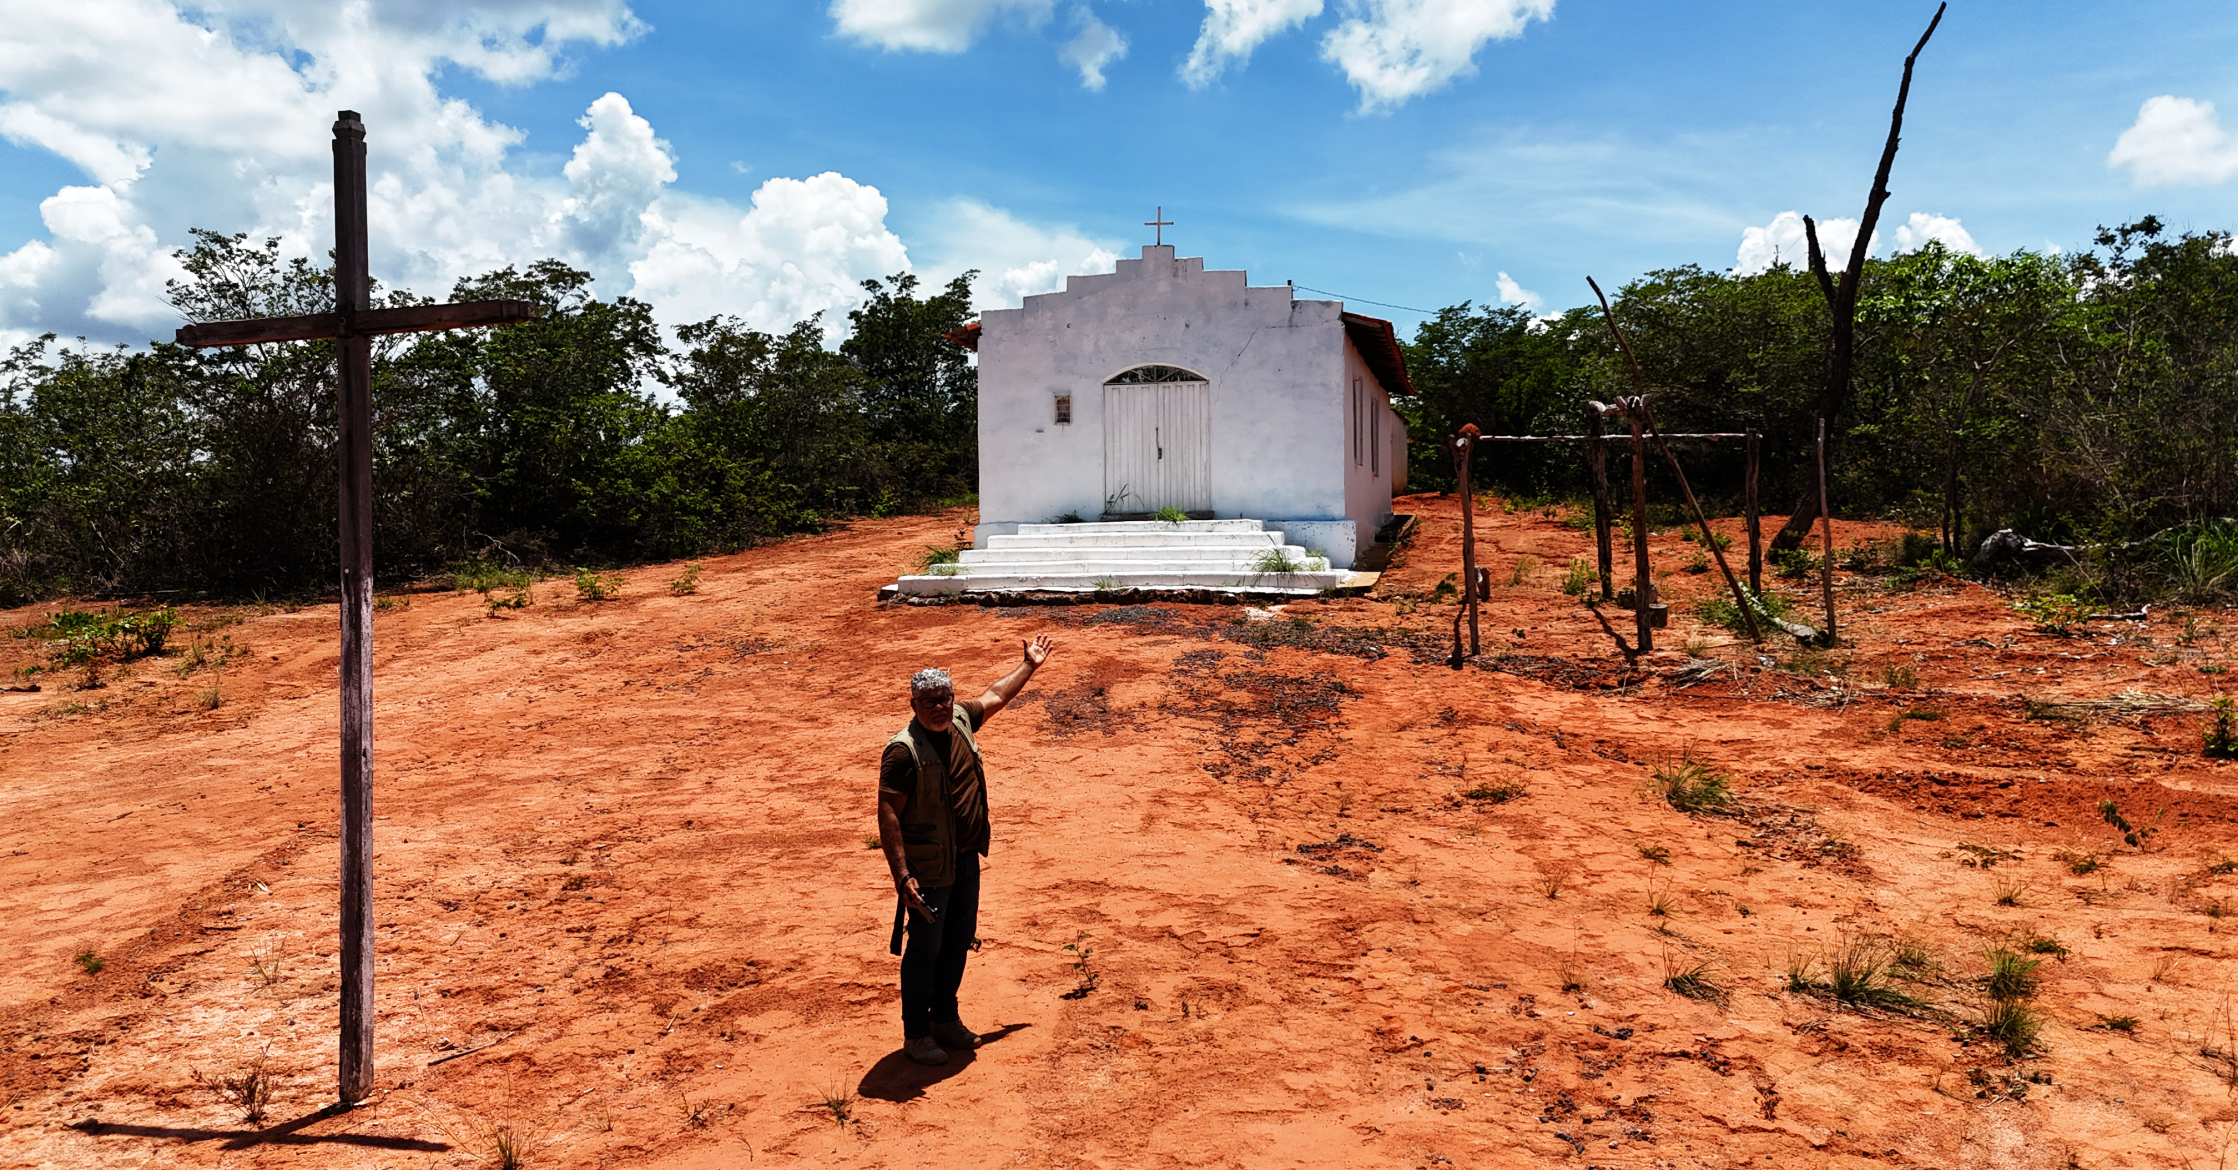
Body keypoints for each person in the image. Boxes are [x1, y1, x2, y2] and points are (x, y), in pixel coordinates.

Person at [877, 634, 1054, 1066]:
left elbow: (995, 696)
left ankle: (945, 1019)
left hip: (965, 858)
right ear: (913, 704)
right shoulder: (903, 752)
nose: (939, 707)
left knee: (957, 942)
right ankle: (917, 1034)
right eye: (929, 701)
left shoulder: (960, 720)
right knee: (925, 949)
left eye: (945, 698)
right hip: (929, 869)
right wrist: (902, 876)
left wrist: (1029, 665)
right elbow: (888, 814)